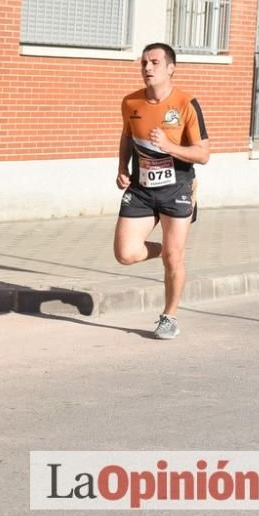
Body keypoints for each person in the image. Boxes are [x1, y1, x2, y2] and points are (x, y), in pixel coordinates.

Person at [113, 42, 210, 340]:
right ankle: (165, 251)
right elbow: (127, 136)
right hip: (142, 189)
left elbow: (203, 154)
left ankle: (169, 317)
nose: (147, 68)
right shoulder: (131, 102)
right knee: (125, 254)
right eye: (144, 63)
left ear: (171, 68)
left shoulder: (186, 103)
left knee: (175, 259)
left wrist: (168, 146)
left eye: (154, 62)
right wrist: (122, 167)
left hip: (177, 187)